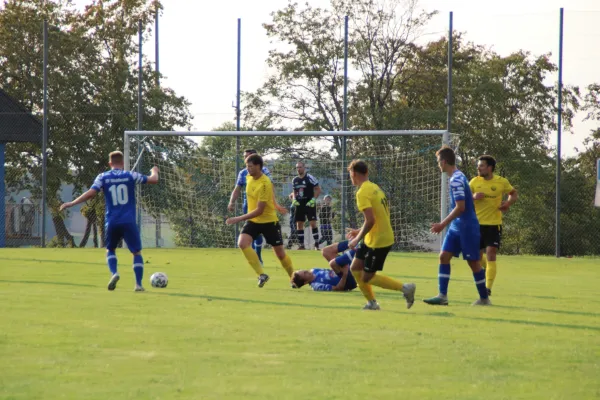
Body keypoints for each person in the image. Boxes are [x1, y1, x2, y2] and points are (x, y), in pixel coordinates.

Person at [59, 151, 159, 291]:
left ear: (110, 163)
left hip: (112, 221)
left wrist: (71, 203)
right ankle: (138, 285)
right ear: (123, 163)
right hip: (128, 221)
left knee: (110, 249)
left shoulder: (103, 177)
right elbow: (153, 180)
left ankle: (115, 273)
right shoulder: (130, 175)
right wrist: (154, 170)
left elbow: (91, 193)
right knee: (136, 253)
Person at [424, 145, 491, 306]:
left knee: (474, 263)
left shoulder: (456, 180)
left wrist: (442, 224)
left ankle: (484, 299)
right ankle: (442, 296)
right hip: (457, 227)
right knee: (443, 257)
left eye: (438, 161)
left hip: (467, 227)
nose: (438, 164)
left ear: (444, 161)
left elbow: (461, 207)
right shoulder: (457, 176)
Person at [345, 160, 416, 310]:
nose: (350, 178)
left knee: (367, 277)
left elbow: (371, 220)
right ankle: (372, 303)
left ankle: (405, 288)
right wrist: (359, 231)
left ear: (354, 174)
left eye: (350, 175)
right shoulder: (374, 187)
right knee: (355, 268)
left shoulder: (362, 192)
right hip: (372, 237)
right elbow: (378, 217)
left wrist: (357, 239)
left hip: (379, 240)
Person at [226, 154, 294, 287]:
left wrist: (238, 219)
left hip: (269, 222)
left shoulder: (265, 183)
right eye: (247, 166)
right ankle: (262, 274)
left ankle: (293, 277)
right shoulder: (247, 177)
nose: (248, 169)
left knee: (280, 254)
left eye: (250, 166)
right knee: (242, 243)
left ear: (258, 166)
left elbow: (260, 210)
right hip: (253, 221)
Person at [469, 155, 518, 296]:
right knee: (477, 258)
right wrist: (472, 197)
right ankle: (487, 270)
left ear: (490, 168)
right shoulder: (473, 182)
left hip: (493, 225)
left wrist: (508, 203)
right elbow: (463, 197)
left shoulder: (501, 182)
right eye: (478, 166)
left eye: (481, 166)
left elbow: (513, 193)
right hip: (476, 225)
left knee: (491, 253)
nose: (478, 168)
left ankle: (488, 287)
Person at [228, 149, 273, 265]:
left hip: (261, 204)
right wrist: (231, 201)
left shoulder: (265, 172)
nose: (246, 159)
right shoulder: (243, 173)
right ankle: (254, 258)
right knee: (250, 231)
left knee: (259, 231)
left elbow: (270, 187)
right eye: (244, 157)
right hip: (247, 205)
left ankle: (258, 255)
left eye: (248, 156)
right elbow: (237, 188)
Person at [291, 240, 357, 291]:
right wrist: (344, 275)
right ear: (305, 282)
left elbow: (332, 272)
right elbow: (338, 288)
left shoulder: (314, 270)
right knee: (332, 264)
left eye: (303, 270)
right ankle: (359, 247)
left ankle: (354, 241)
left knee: (325, 251)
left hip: (343, 271)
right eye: (305, 273)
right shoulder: (317, 286)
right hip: (348, 281)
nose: (306, 271)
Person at [290, 161, 321, 250]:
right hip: (299, 204)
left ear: (304, 168)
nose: (298, 169)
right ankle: (301, 245)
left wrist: (313, 199)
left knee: (312, 223)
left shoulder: (310, 178)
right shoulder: (295, 180)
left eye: (300, 167)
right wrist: (294, 199)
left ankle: (316, 244)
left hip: (309, 203)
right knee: (299, 224)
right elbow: (294, 191)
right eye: (297, 167)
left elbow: (318, 189)